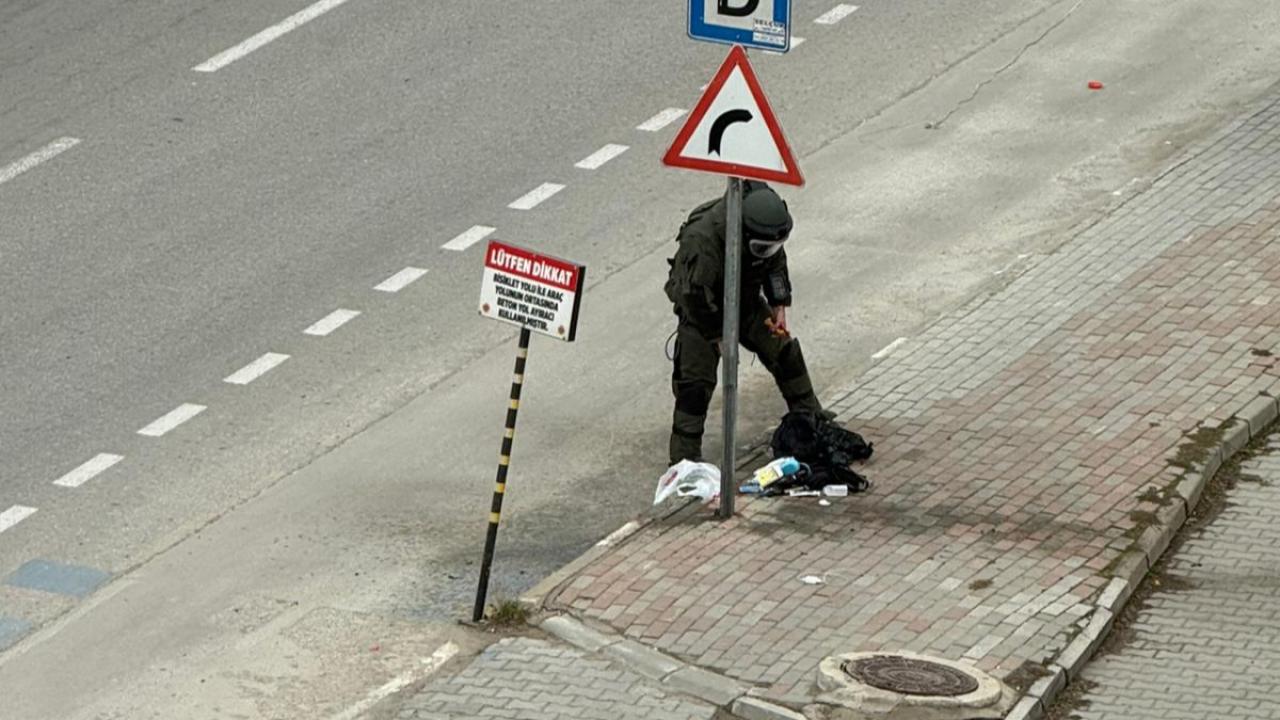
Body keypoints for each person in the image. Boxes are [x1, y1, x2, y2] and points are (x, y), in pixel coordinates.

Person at [663, 180, 828, 465]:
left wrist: (779, 303)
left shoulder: (767, 227)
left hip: (746, 301)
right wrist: (718, 338)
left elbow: (775, 260)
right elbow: (694, 296)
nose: (766, 250)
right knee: (695, 385)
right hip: (703, 311)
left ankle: (812, 417)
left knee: (784, 351)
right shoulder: (702, 240)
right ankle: (684, 460)